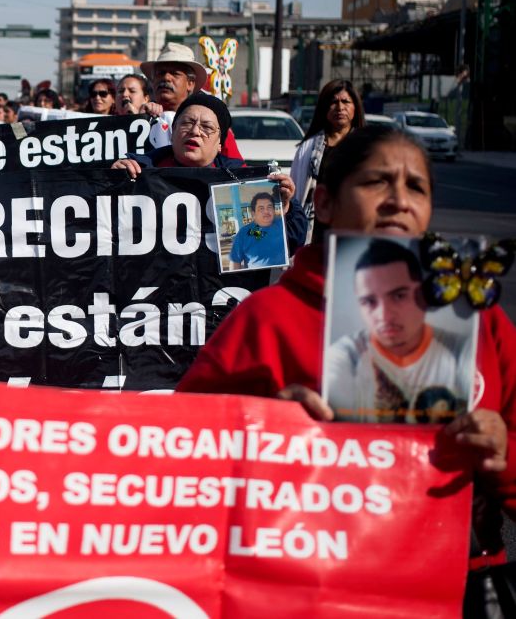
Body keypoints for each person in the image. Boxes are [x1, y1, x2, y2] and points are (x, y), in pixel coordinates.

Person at [176, 125, 515, 574]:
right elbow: (180, 464)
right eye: (377, 182)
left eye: (417, 186)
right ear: (325, 203)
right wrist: (266, 433)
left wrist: (501, 455)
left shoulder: (476, 315)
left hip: (454, 580)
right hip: (310, 583)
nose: (399, 200)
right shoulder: (267, 318)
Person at [111, 92, 304, 249]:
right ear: (173, 131)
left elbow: (284, 244)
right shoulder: (137, 171)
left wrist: (282, 210)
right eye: (187, 123)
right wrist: (111, 182)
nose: (195, 131)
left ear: (220, 144)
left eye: (207, 127)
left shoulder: (242, 185)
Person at [324, 238, 472, 424]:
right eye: (369, 302)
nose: (384, 315)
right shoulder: (346, 356)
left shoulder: (462, 351)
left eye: (399, 296)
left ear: (425, 295)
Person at [290, 79, 366, 244]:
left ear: (356, 107)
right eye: (333, 102)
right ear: (324, 108)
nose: (340, 107)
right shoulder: (307, 149)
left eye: (345, 101)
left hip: (353, 229)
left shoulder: (366, 147)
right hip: (316, 232)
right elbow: (295, 194)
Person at [139, 42, 243, 160]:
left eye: (174, 73)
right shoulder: (141, 119)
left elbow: (237, 169)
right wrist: (139, 118)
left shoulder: (213, 125)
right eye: (160, 73)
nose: (166, 78)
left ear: (190, 83)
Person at [228, 192, 288, 270]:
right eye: (261, 208)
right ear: (253, 213)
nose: (266, 211)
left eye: (269, 207)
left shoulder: (282, 224)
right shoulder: (243, 233)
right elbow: (235, 261)